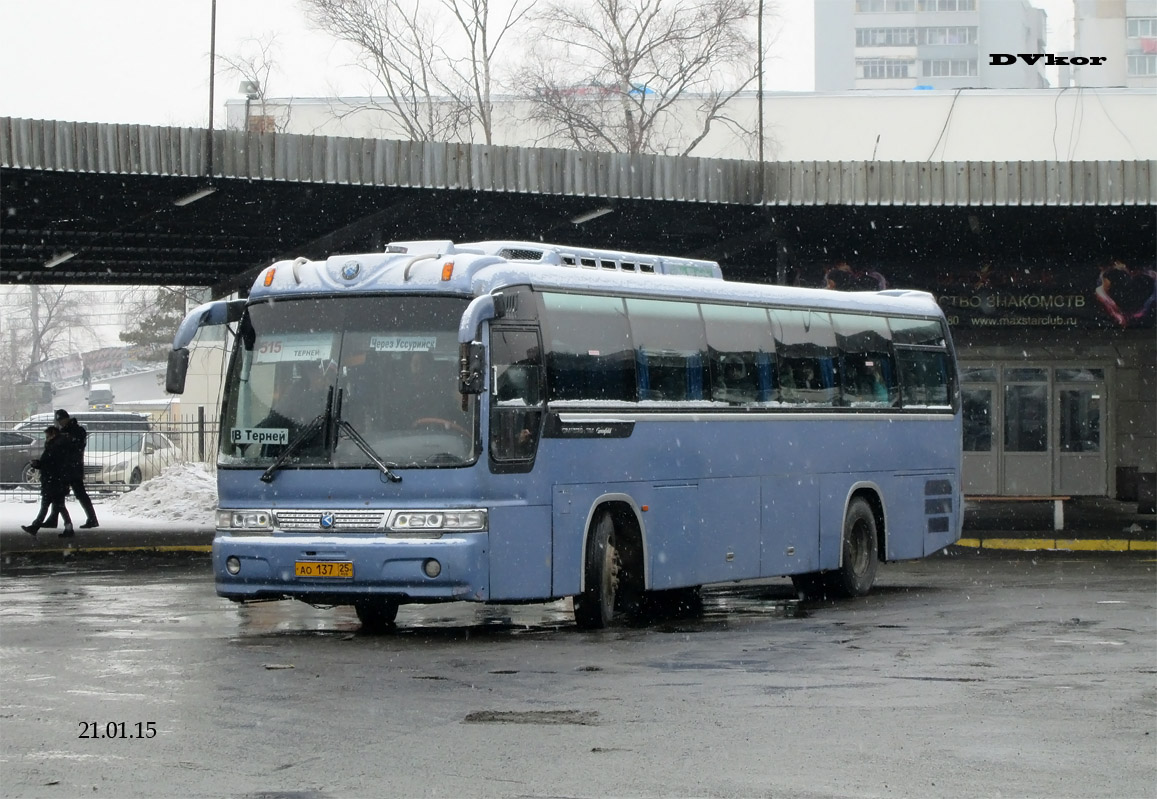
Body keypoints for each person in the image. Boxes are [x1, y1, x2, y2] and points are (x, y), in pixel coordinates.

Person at [43, 409, 98, 530]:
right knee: (59, 494)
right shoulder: (64, 431)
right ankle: (54, 519)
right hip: (66, 467)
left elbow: (76, 445)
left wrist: (64, 439)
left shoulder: (77, 431)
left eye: (61, 420)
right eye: (59, 421)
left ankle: (91, 518)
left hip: (73, 467)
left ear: (66, 418)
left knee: (79, 494)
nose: (61, 423)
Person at [22, 426, 75, 537]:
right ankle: (68, 528)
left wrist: (38, 464)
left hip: (53, 482)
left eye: (47, 436)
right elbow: (52, 464)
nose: (46, 438)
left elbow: (50, 464)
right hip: (56, 482)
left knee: (50, 506)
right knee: (58, 506)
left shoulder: (55, 447)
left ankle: (35, 527)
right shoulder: (58, 446)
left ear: (53, 435)